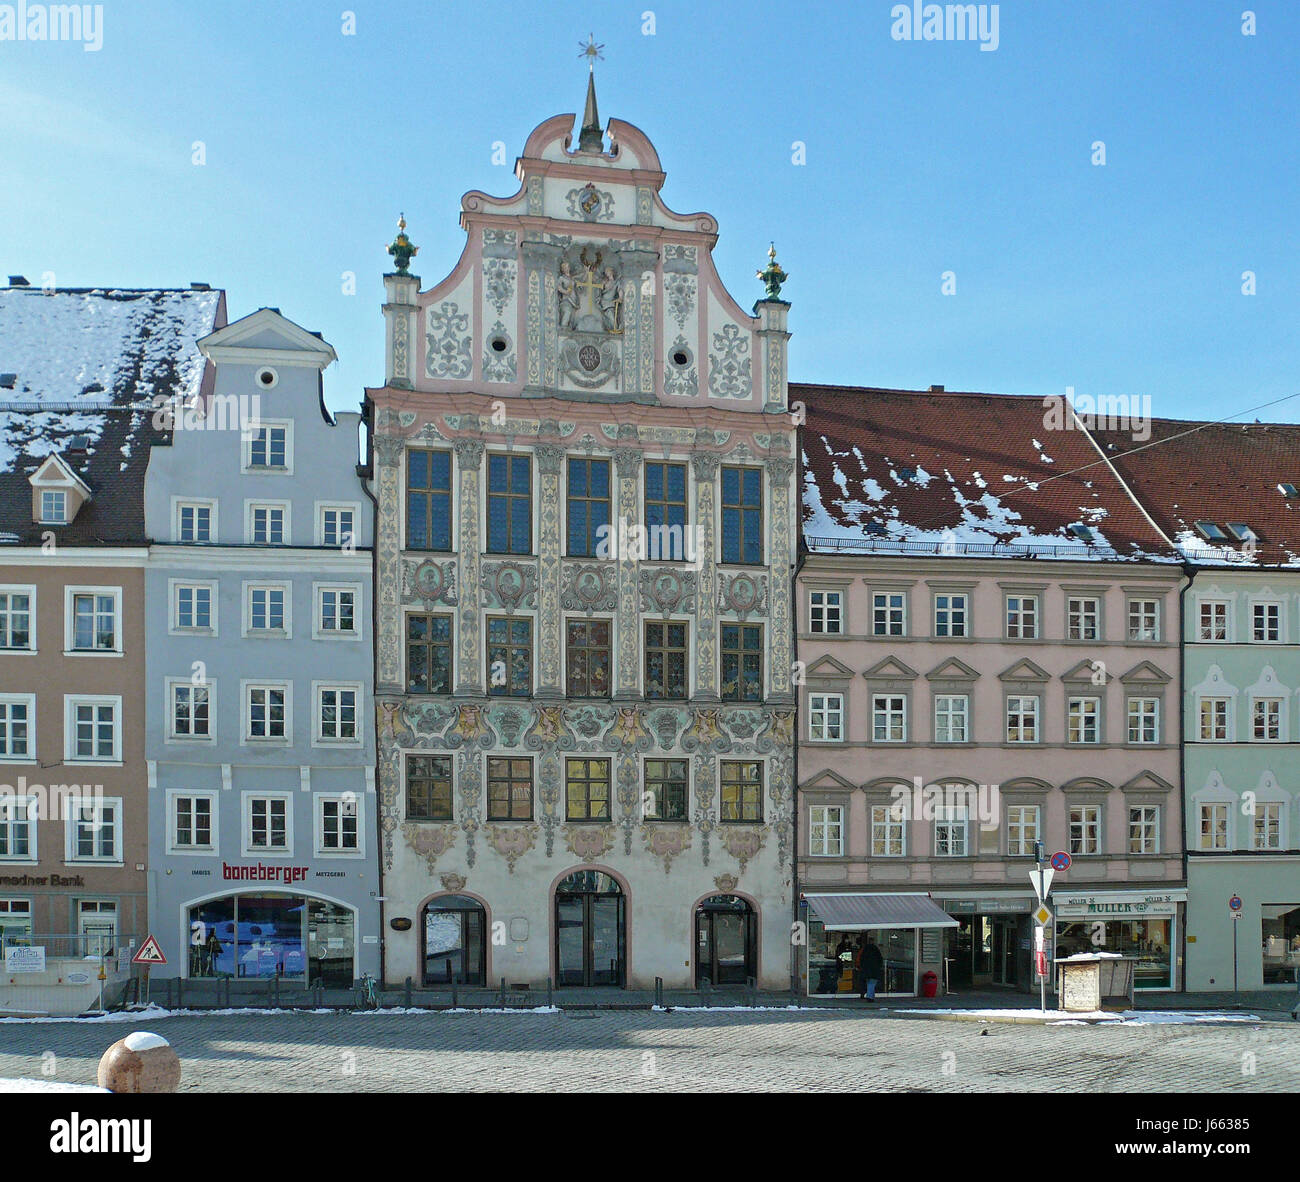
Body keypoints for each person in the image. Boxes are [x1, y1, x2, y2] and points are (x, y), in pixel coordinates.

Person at [856, 935, 885, 1001]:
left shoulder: (865, 949)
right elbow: (880, 959)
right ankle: (870, 997)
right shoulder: (875, 949)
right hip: (874, 970)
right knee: (872, 983)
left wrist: (861, 967)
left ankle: (871, 996)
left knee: (870, 983)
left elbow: (861, 959)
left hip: (866, 970)